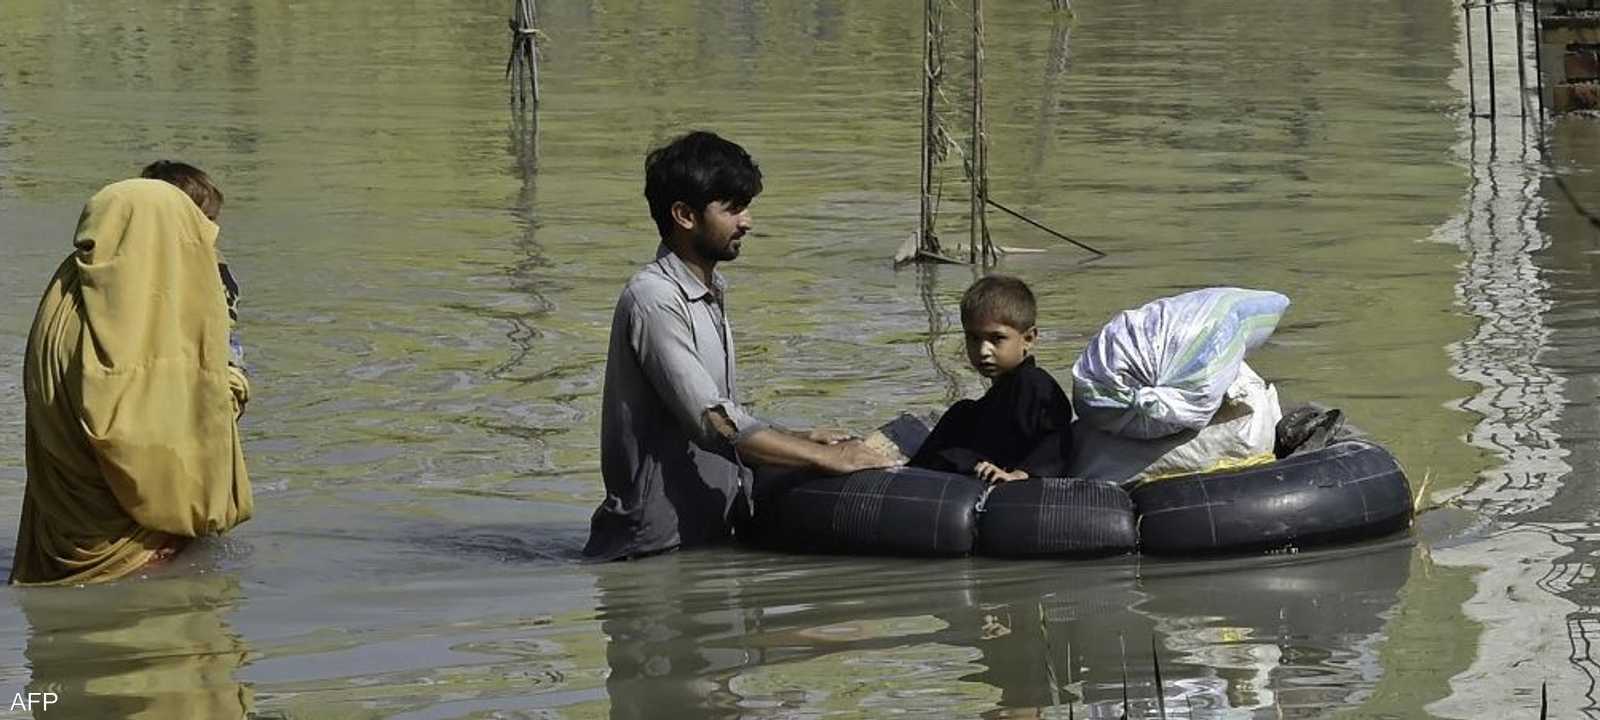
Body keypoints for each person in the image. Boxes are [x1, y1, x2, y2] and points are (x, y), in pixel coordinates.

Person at [585, 130, 892, 561]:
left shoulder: (709, 291)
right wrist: (831, 459)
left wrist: (800, 436)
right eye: (732, 209)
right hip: (651, 556)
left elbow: (723, 414)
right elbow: (712, 422)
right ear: (684, 215)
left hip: (705, 543)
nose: (746, 222)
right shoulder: (654, 300)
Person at [10, 176, 253, 585]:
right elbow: (146, 443)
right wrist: (230, 382)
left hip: (59, 542)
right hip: (138, 555)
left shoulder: (66, 301)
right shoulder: (144, 321)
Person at [908, 275, 1073, 483]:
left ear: (1028, 339)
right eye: (973, 338)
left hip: (1016, 486)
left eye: (997, 339)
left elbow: (1058, 438)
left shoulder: (1033, 384)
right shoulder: (976, 409)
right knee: (961, 412)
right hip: (974, 475)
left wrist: (1019, 475)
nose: (983, 351)